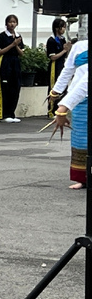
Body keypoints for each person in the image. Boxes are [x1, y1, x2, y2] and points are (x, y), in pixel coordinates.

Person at [52, 38, 89, 188]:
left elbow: (87, 81)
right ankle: (83, 178)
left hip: (76, 96)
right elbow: (68, 70)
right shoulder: (79, 46)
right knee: (80, 138)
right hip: (78, 99)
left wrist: (64, 107)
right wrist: (56, 91)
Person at [0, 14, 24, 122]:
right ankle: (4, 114)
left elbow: (21, 53)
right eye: (10, 22)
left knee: (15, 87)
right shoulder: (2, 36)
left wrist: (16, 44)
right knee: (4, 87)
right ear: (6, 23)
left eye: (14, 22)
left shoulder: (18, 36)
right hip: (5, 62)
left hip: (15, 62)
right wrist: (12, 44)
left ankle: (11, 113)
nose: (12, 24)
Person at [47, 18, 71, 118]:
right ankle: (51, 111)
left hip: (62, 64)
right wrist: (64, 51)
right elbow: (53, 57)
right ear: (57, 28)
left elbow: (65, 54)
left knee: (64, 88)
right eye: (63, 27)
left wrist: (68, 50)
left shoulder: (62, 39)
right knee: (54, 86)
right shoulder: (52, 40)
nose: (64, 30)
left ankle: (60, 109)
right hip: (54, 65)